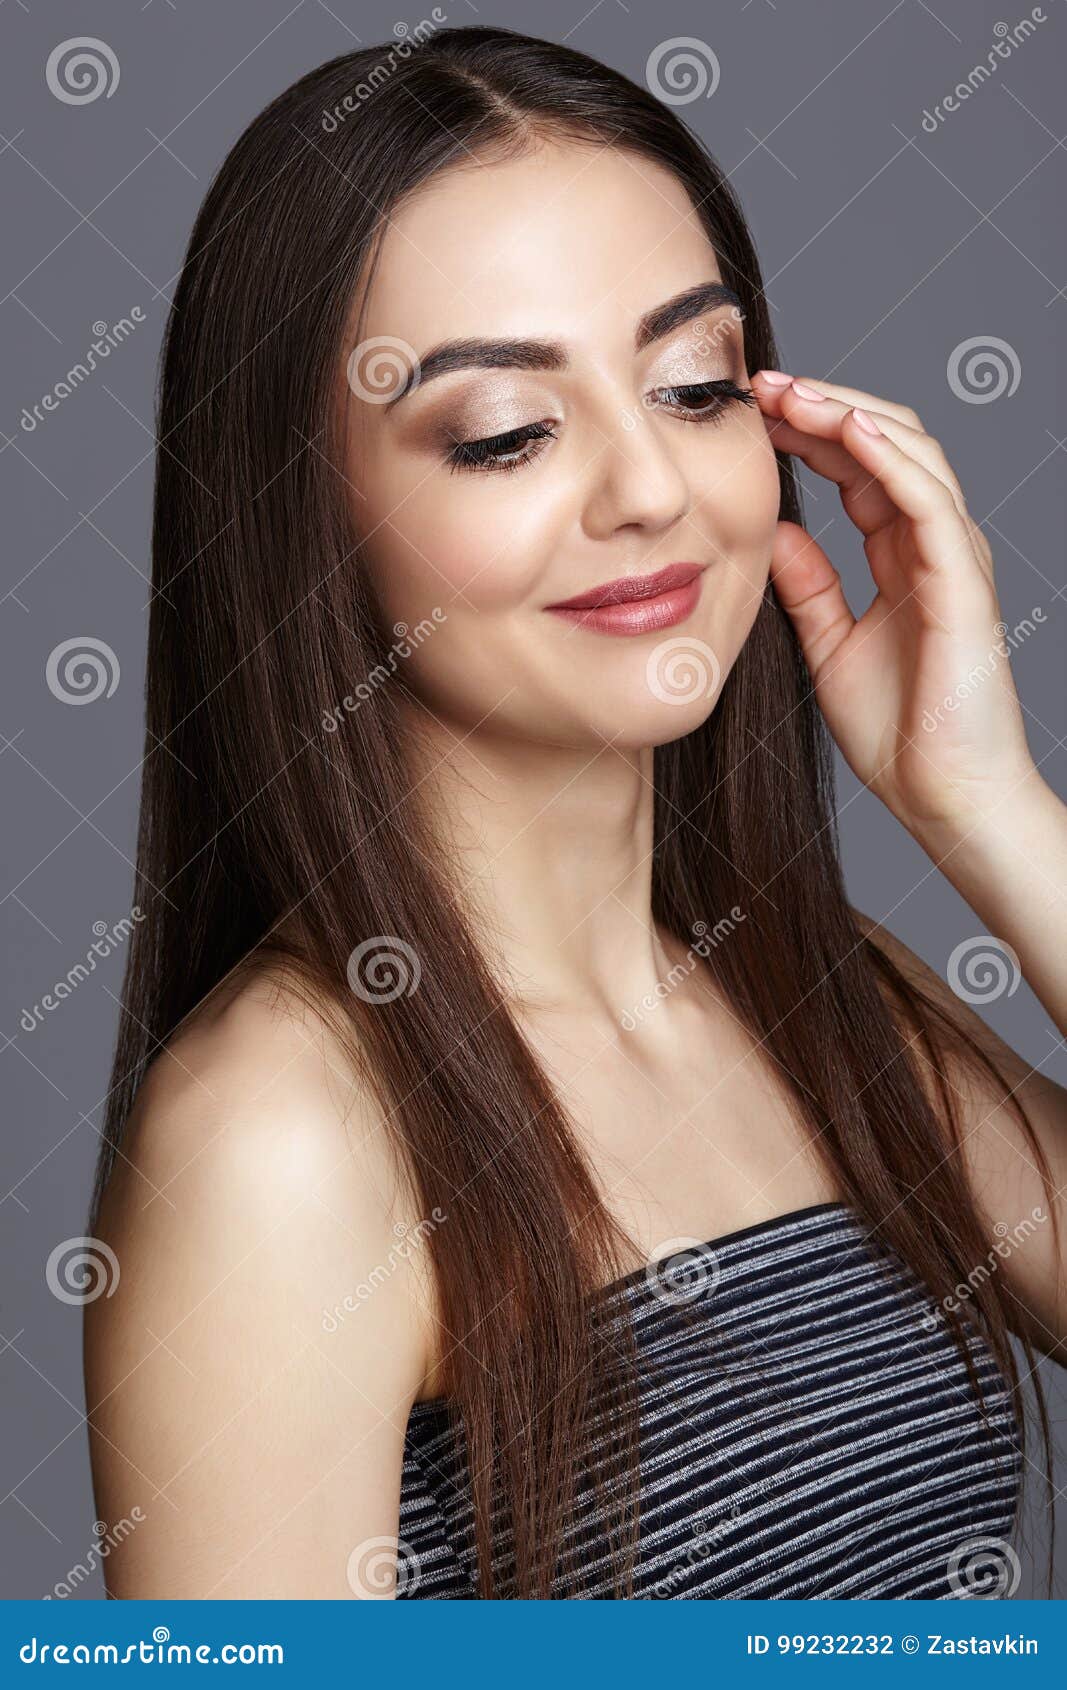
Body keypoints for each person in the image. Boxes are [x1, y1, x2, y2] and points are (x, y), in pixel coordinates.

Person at [83, 25, 1066, 1600]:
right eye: (505, 433)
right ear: (304, 520)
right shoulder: (285, 1139)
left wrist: (992, 811)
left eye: (692, 385)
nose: (647, 490)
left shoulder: (813, 988)